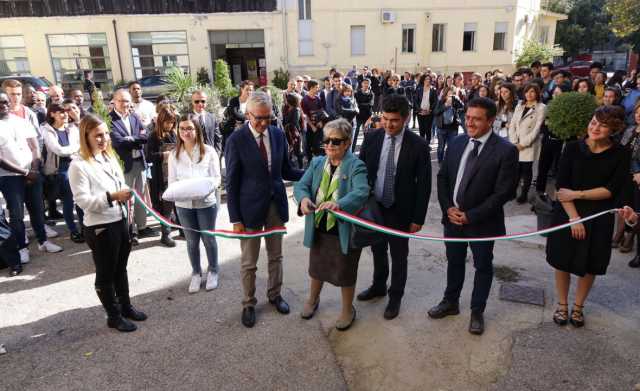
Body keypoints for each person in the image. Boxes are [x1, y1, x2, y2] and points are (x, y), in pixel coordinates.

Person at [428, 97, 518, 335]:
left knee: (483, 266)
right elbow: (443, 178)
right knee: (454, 262)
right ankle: (450, 302)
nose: (470, 123)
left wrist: (471, 216)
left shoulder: (506, 151)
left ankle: (477, 311)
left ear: (490, 121)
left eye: (476, 119)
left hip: (483, 223)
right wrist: (448, 208)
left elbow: (503, 193)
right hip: (453, 219)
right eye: (467, 117)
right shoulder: (457, 142)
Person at [224, 92, 304, 328]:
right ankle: (248, 303)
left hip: (275, 205)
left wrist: (312, 173)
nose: (262, 123)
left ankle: (275, 295)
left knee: (276, 256)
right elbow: (231, 182)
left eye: (267, 118)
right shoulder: (236, 140)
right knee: (249, 261)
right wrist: (235, 218)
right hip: (248, 209)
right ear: (248, 115)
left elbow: (286, 170)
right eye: (258, 118)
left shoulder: (278, 135)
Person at [545, 106, 629, 328]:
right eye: (593, 122)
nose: (595, 128)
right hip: (568, 211)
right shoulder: (572, 148)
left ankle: (578, 307)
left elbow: (611, 189)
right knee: (561, 260)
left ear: (614, 129)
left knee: (590, 262)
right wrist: (574, 218)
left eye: (602, 125)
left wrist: (579, 193)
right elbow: (562, 187)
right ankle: (562, 305)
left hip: (598, 215)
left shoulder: (621, 154)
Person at [69, 114, 147, 332]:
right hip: (100, 226)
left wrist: (124, 196)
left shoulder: (108, 156)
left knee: (120, 268)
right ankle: (113, 316)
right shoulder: (78, 165)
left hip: (119, 219)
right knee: (106, 273)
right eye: (98, 136)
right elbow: (83, 201)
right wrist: (112, 197)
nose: (103, 139)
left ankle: (125, 307)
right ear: (86, 136)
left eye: (105, 134)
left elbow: (119, 183)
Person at [357, 94, 430, 319]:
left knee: (399, 255)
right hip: (375, 208)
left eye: (394, 120)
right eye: (385, 119)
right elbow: (360, 172)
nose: (388, 124)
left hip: (401, 210)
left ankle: (395, 296)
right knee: (378, 249)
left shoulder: (418, 145)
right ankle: (379, 286)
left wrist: (418, 218)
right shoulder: (371, 139)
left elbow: (424, 184)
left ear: (406, 119)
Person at [294, 118, 370, 330]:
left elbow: (361, 191)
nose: (328, 145)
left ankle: (347, 309)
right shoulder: (318, 162)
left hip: (343, 228)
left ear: (346, 143)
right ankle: (313, 299)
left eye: (335, 141)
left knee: (345, 271)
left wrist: (339, 205)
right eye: (326, 140)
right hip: (319, 225)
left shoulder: (356, 165)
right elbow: (302, 185)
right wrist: (303, 199)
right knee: (317, 267)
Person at [169, 116, 222, 293]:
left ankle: (213, 270)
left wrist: (205, 188)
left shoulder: (208, 151)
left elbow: (216, 178)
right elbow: (172, 181)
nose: (186, 132)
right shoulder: (174, 154)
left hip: (206, 202)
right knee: (191, 241)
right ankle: (196, 273)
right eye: (182, 128)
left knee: (208, 238)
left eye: (190, 128)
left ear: (197, 130)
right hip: (184, 205)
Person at [109, 89, 157, 245]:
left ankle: (142, 227)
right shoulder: (110, 120)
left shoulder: (134, 116)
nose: (125, 104)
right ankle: (130, 230)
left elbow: (145, 137)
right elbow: (117, 141)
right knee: (127, 198)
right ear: (114, 101)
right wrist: (134, 140)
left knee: (141, 196)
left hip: (139, 162)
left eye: (127, 101)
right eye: (121, 101)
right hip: (125, 166)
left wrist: (131, 139)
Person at [42, 103, 84, 242]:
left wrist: (74, 148)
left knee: (80, 200)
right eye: (61, 112)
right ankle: (73, 230)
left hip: (75, 165)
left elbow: (80, 145)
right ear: (52, 114)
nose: (65, 114)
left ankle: (84, 228)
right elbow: (58, 150)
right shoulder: (47, 130)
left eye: (66, 111)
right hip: (60, 170)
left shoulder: (71, 128)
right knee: (68, 201)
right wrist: (75, 147)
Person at [146, 104, 178, 248]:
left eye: (172, 122)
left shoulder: (173, 134)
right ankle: (165, 234)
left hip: (173, 173)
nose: (169, 125)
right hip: (160, 176)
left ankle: (181, 229)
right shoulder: (153, 136)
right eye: (167, 122)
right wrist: (164, 155)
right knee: (165, 205)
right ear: (161, 121)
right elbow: (148, 156)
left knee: (177, 202)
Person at [509, 83, 546, 204]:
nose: (529, 94)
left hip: (528, 145)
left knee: (526, 171)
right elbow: (513, 124)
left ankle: (524, 194)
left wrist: (523, 144)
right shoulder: (520, 105)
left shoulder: (541, 107)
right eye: (527, 92)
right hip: (516, 144)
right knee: (515, 171)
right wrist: (514, 142)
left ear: (537, 93)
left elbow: (537, 129)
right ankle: (512, 192)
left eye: (532, 92)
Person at [433, 86, 464, 164]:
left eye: (452, 93)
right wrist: (445, 106)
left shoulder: (456, 101)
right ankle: (440, 162)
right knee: (441, 147)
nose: (450, 95)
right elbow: (436, 112)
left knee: (452, 147)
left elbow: (463, 107)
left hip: (453, 128)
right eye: (449, 93)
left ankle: (450, 162)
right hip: (442, 128)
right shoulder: (441, 101)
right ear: (445, 93)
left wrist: (457, 100)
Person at [189, 90, 222, 156]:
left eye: (203, 101)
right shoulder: (188, 119)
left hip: (211, 155)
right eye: (197, 101)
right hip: (195, 156)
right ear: (192, 102)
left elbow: (218, 138)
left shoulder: (212, 117)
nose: (200, 104)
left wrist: (217, 153)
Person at [301, 80, 326, 160]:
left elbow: (321, 110)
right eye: (316, 87)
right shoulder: (304, 100)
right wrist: (312, 126)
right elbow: (305, 115)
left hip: (318, 126)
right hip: (310, 127)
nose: (318, 89)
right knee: (309, 145)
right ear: (311, 88)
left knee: (319, 146)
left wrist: (320, 121)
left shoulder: (317, 98)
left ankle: (319, 161)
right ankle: (310, 162)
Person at [282, 92, 305, 169]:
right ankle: (290, 165)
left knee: (297, 151)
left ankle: (301, 167)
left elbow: (294, 122)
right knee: (290, 150)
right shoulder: (287, 109)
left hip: (294, 133)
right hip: (288, 133)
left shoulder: (296, 110)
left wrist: (287, 125)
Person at [414, 74, 438, 145]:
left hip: (429, 113)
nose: (428, 81)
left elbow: (435, 101)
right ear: (423, 80)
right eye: (426, 79)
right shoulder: (419, 89)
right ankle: (422, 145)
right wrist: (420, 110)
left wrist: (430, 110)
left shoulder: (433, 89)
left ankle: (427, 145)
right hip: (420, 113)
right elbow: (416, 101)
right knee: (422, 130)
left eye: (429, 79)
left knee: (428, 130)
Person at [335, 83, 359, 147]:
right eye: (346, 91)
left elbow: (357, 111)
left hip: (352, 123)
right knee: (342, 143)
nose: (347, 93)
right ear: (343, 92)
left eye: (349, 91)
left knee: (350, 142)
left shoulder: (353, 99)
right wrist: (352, 111)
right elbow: (341, 111)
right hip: (343, 123)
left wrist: (352, 111)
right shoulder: (338, 99)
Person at [354, 78, 375, 150]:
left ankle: (366, 149)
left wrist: (361, 104)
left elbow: (371, 104)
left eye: (367, 83)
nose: (366, 84)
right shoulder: (357, 93)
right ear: (361, 84)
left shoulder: (371, 93)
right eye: (364, 83)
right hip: (358, 116)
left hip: (367, 116)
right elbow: (356, 104)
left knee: (366, 134)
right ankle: (352, 150)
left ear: (369, 85)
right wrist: (364, 104)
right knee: (355, 134)